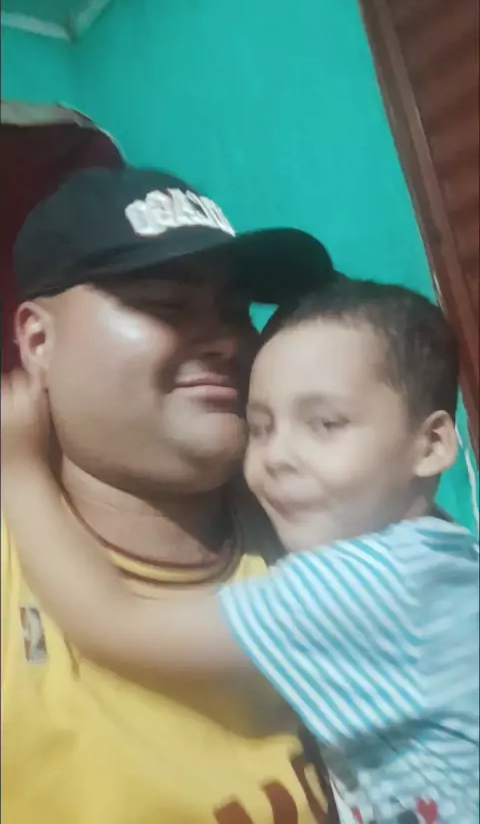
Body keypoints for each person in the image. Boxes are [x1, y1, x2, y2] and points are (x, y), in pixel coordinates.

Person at [3, 279, 479, 824]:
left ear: (432, 444)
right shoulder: (442, 555)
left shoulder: (360, 584)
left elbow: (114, 623)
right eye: (258, 428)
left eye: (326, 425)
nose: (276, 457)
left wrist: (18, 469)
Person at [1, 166, 338, 824]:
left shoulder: (334, 530)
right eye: (165, 305)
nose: (229, 341)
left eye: (237, 310)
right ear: (39, 340)